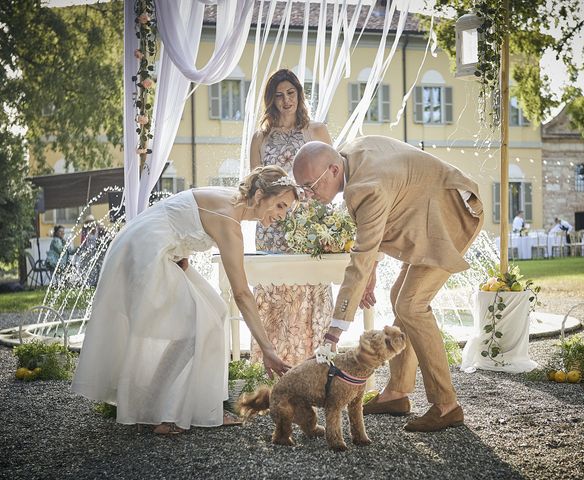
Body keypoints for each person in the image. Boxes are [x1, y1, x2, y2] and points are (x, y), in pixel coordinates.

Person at [71, 166, 297, 434]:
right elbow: (242, 293)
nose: (282, 215)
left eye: (287, 209)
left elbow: (183, 216)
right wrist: (267, 349)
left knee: (215, 311)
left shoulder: (232, 199)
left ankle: (201, 408)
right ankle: (158, 411)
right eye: (281, 205)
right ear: (260, 194)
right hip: (147, 249)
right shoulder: (230, 223)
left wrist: (182, 254)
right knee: (194, 326)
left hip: (153, 242)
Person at [292, 136, 484, 433]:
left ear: (332, 170)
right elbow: (389, 207)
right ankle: (397, 393)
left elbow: (360, 258)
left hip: (452, 217)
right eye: (302, 187)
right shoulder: (353, 154)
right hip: (423, 217)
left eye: (310, 184)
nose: (308, 194)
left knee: (412, 304)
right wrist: (372, 269)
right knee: (400, 298)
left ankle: (447, 405)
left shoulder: (366, 187)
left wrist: (333, 332)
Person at [248, 68, 334, 365]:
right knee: (274, 297)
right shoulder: (261, 137)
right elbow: (253, 185)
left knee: (310, 294)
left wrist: (327, 225)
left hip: (308, 227)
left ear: (299, 95)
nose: (286, 101)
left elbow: (330, 179)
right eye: (279, 95)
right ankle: (273, 370)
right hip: (271, 228)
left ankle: (314, 368)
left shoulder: (316, 130)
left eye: (291, 93)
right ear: (271, 99)